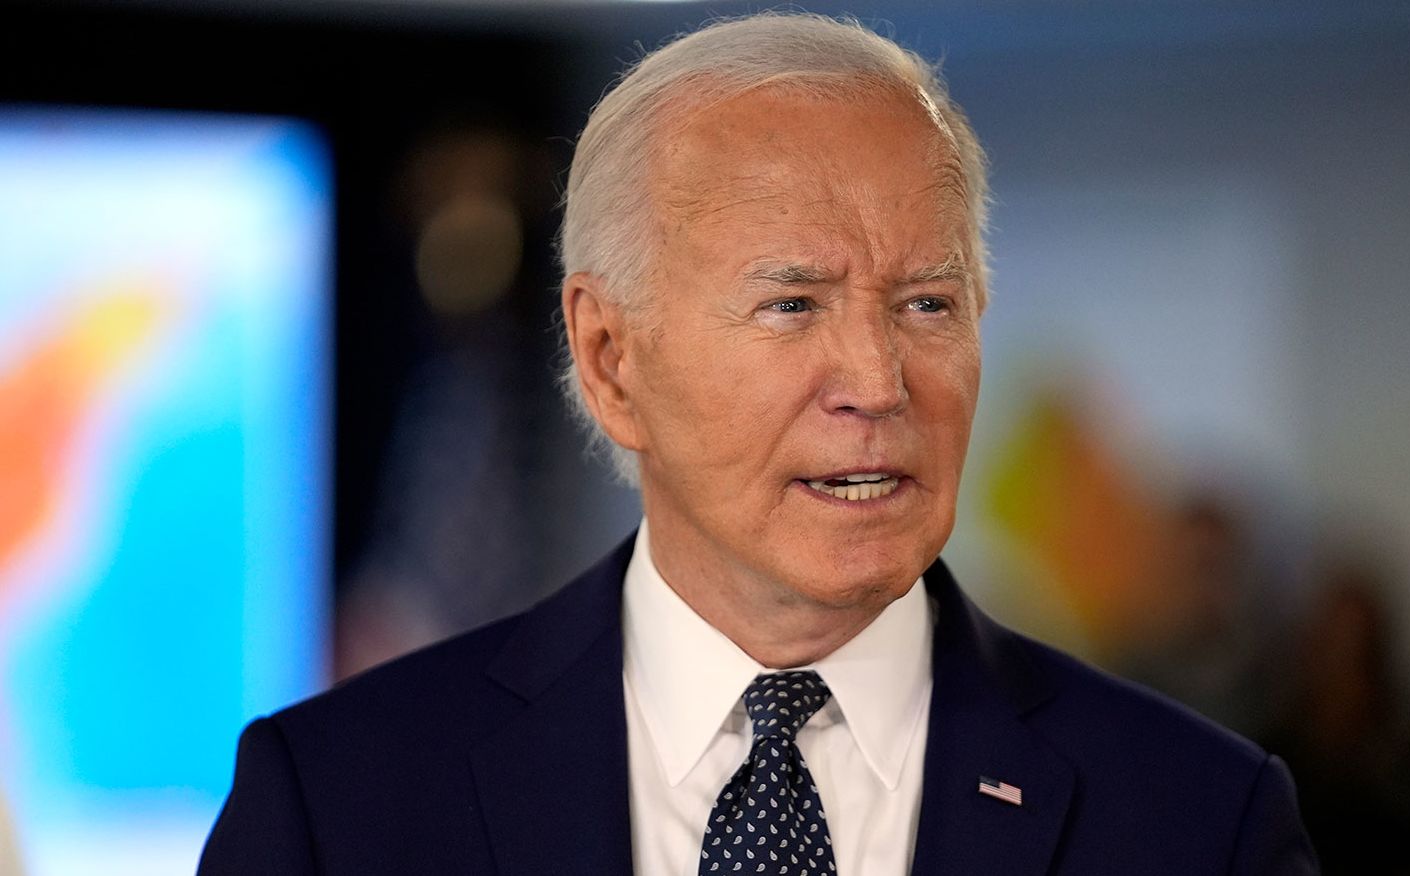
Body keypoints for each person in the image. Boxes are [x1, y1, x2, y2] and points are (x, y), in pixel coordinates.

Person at [199, 13, 1317, 875]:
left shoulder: (1195, 820)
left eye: (927, 305)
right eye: (792, 305)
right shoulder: (340, 805)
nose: (879, 384)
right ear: (608, 358)